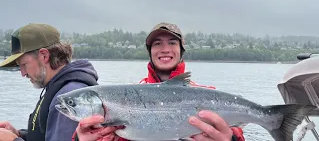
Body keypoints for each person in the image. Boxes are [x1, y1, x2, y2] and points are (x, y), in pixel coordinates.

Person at [73, 22, 245, 141]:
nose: (164, 49)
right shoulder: (124, 98)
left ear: (181, 51)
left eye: (172, 42)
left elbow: (235, 131)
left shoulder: (206, 94)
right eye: (157, 44)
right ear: (150, 51)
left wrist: (231, 138)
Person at [0, 23, 99, 141]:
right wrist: (19, 135)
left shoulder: (69, 94)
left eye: (24, 65)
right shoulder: (57, 87)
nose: (23, 73)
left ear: (44, 56)